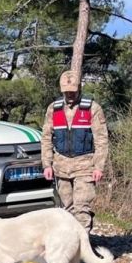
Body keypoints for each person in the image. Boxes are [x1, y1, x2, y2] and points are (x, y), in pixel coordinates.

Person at [41, 70, 109, 233]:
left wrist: (99, 167)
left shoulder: (92, 108)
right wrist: (47, 165)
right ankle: (71, 246)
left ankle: (83, 248)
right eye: (67, 92)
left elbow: (101, 139)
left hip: (85, 165)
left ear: (79, 88)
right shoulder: (53, 109)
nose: (70, 95)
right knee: (68, 209)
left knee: (81, 208)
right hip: (61, 167)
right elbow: (46, 139)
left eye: (73, 91)